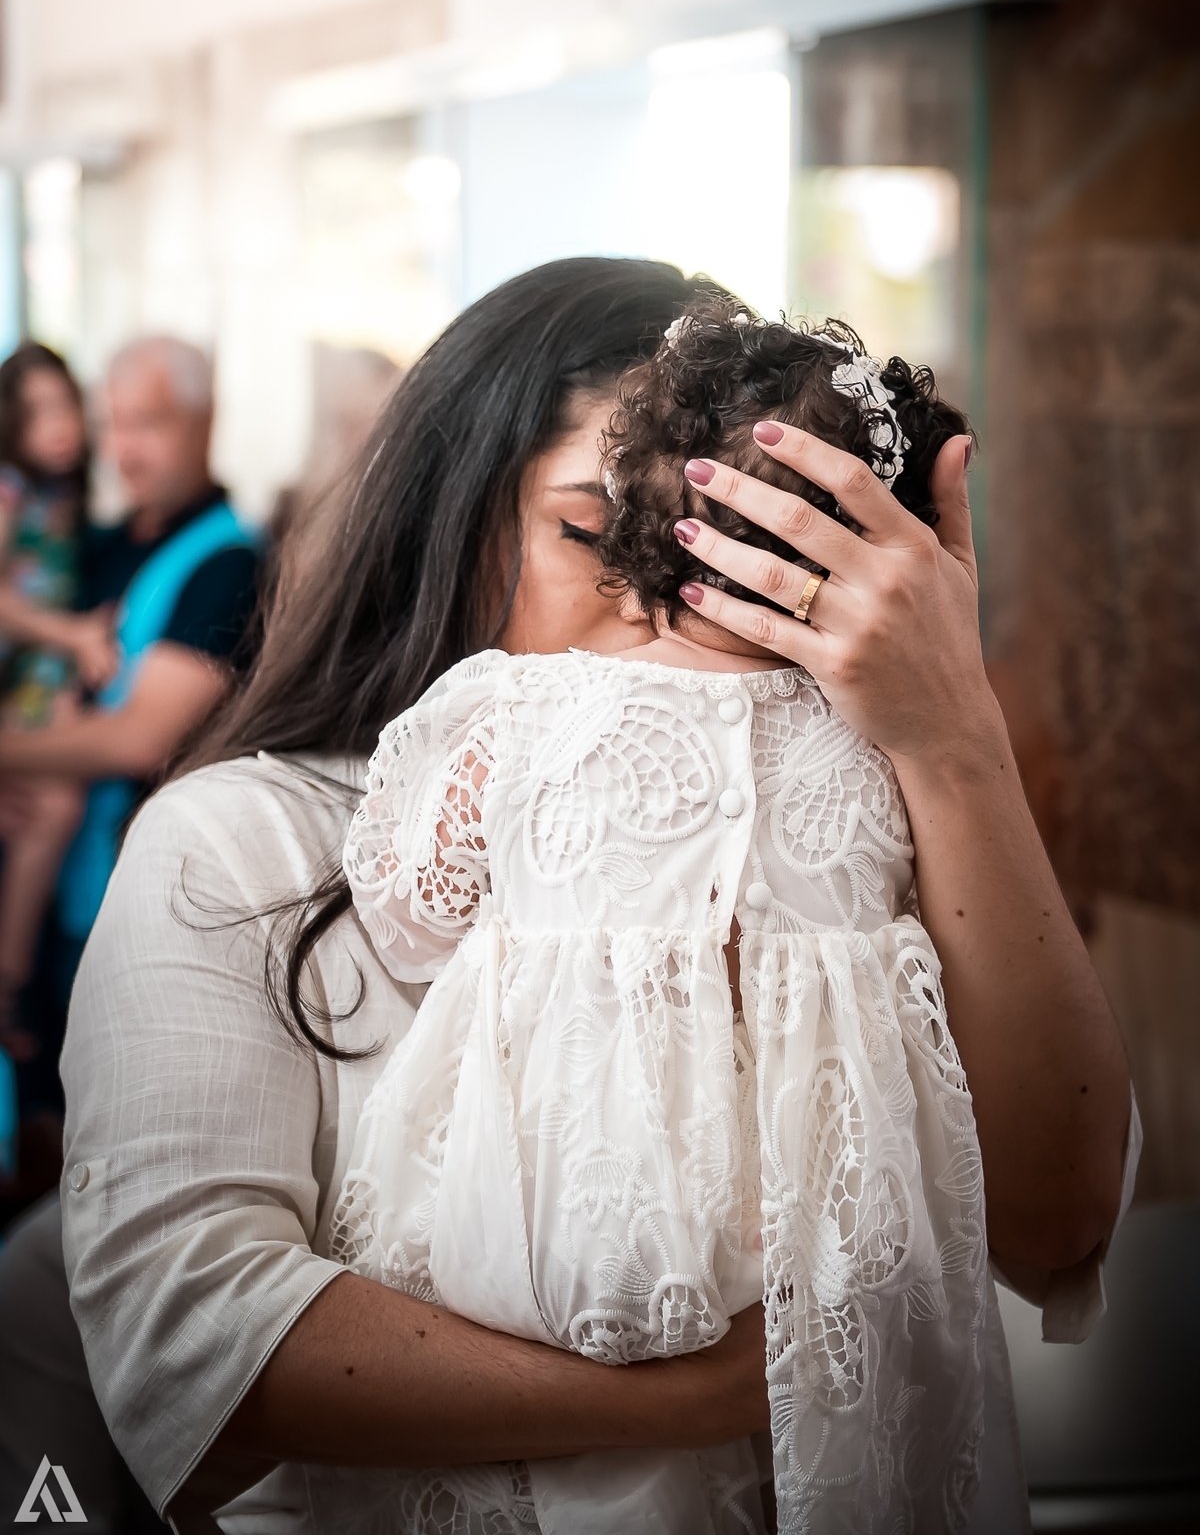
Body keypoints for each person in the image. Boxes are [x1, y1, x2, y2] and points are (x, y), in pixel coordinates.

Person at [46, 259, 1131, 1533]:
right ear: (450, 510)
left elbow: (1056, 1222)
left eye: (745, 555)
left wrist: (954, 735)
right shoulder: (244, 842)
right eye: (598, 532)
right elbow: (187, 1340)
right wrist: (710, 1393)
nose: (669, 601)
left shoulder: (856, 803)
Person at [332, 299, 987, 1533]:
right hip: (813, 1248)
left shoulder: (521, 713)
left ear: (639, 525)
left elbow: (412, 916)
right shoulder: (884, 754)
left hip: (543, 1246)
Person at [0, 335, 261, 997]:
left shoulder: (231, 565)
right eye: (112, 423)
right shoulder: (93, 546)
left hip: (127, 913)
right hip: (44, 883)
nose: (125, 449)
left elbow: (139, 738)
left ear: (205, 422)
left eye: (149, 422)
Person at [0, 346, 116, 1058]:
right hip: (23, 674)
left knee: (53, 807)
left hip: (42, 676)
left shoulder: (68, 499)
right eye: (37, 411)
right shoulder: (11, 491)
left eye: (66, 405)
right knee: (57, 806)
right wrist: (73, 636)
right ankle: (9, 977)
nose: (59, 425)